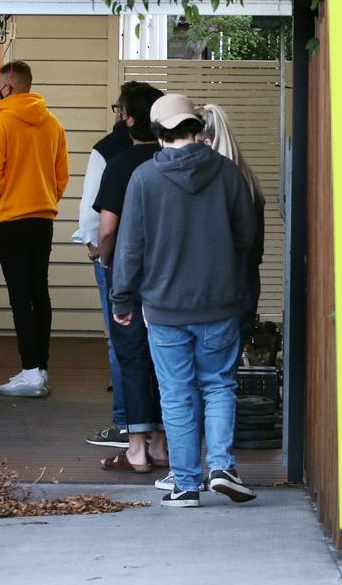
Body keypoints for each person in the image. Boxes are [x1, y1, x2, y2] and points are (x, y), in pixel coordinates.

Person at [111, 93, 258, 508]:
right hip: (219, 303)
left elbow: (130, 248)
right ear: (197, 128)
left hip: (164, 307)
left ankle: (187, 484)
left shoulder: (144, 179)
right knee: (219, 385)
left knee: (176, 392)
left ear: (158, 134)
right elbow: (245, 237)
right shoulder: (228, 174)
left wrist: (121, 299)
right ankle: (222, 466)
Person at [0, 60, 69, 398]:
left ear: (11, 84)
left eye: (0, 83)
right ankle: (41, 367)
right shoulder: (53, 125)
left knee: (20, 296)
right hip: (42, 217)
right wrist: (46, 198)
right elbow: (61, 177)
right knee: (39, 291)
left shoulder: (1, 124)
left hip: (11, 218)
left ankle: (30, 371)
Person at [94, 83, 169, 472]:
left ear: (131, 118)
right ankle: (161, 443)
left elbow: (107, 229)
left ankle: (136, 449)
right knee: (166, 358)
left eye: (121, 110)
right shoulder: (171, 162)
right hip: (170, 275)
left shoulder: (121, 164)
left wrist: (107, 263)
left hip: (129, 276)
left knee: (133, 356)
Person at [75, 85, 134, 447]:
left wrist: (95, 247)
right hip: (156, 259)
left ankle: (125, 422)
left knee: (118, 339)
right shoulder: (163, 150)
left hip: (115, 255)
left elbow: (91, 208)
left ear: (123, 113)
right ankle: (154, 427)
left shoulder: (107, 150)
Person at [199, 104, 265, 335]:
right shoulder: (247, 179)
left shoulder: (211, 185)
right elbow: (255, 248)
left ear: (206, 144)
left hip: (215, 298)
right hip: (245, 289)